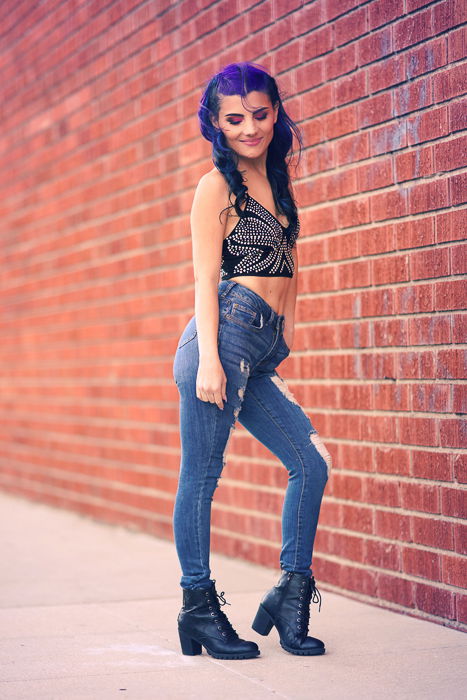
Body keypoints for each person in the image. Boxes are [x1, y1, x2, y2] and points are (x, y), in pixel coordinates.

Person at [172, 62, 332, 660]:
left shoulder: (277, 179)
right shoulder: (217, 185)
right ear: (216, 124)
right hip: (222, 339)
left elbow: (289, 265)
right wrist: (209, 358)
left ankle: (289, 595)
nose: (249, 127)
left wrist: (286, 332)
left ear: (275, 112)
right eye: (234, 119)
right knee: (202, 477)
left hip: (261, 346)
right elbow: (205, 278)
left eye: (260, 114)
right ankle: (198, 610)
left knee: (312, 463)